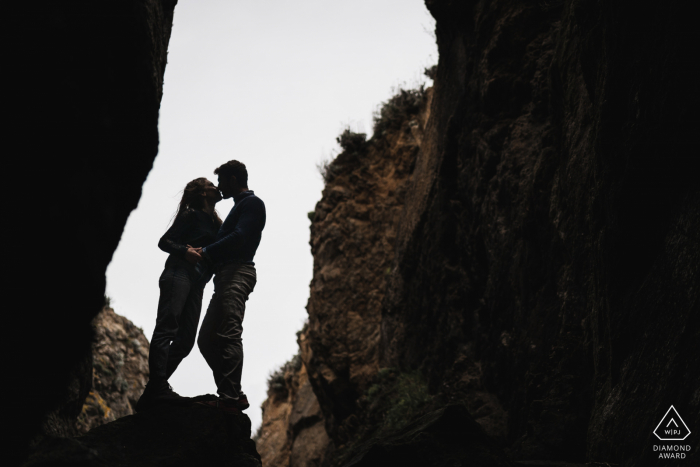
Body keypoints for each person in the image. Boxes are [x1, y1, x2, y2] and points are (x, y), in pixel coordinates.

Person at [135, 177, 223, 412]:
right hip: (179, 273)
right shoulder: (191, 214)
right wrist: (185, 251)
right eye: (211, 185)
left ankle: (154, 390)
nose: (217, 187)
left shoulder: (216, 223)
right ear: (203, 193)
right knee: (167, 327)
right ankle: (159, 389)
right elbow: (164, 242)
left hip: (198, 283)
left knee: (185, 341)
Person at [195, 160, 266, 413]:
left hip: (238, 272)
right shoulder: (239, 207)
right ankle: (234, 393)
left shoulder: (252, 204)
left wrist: (204, 252)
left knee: (228, 334)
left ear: (234, 179)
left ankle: (228, 398)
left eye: (222, 181)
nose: (220, 187)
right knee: (206, 340)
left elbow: (240, 237)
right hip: (226, 276)